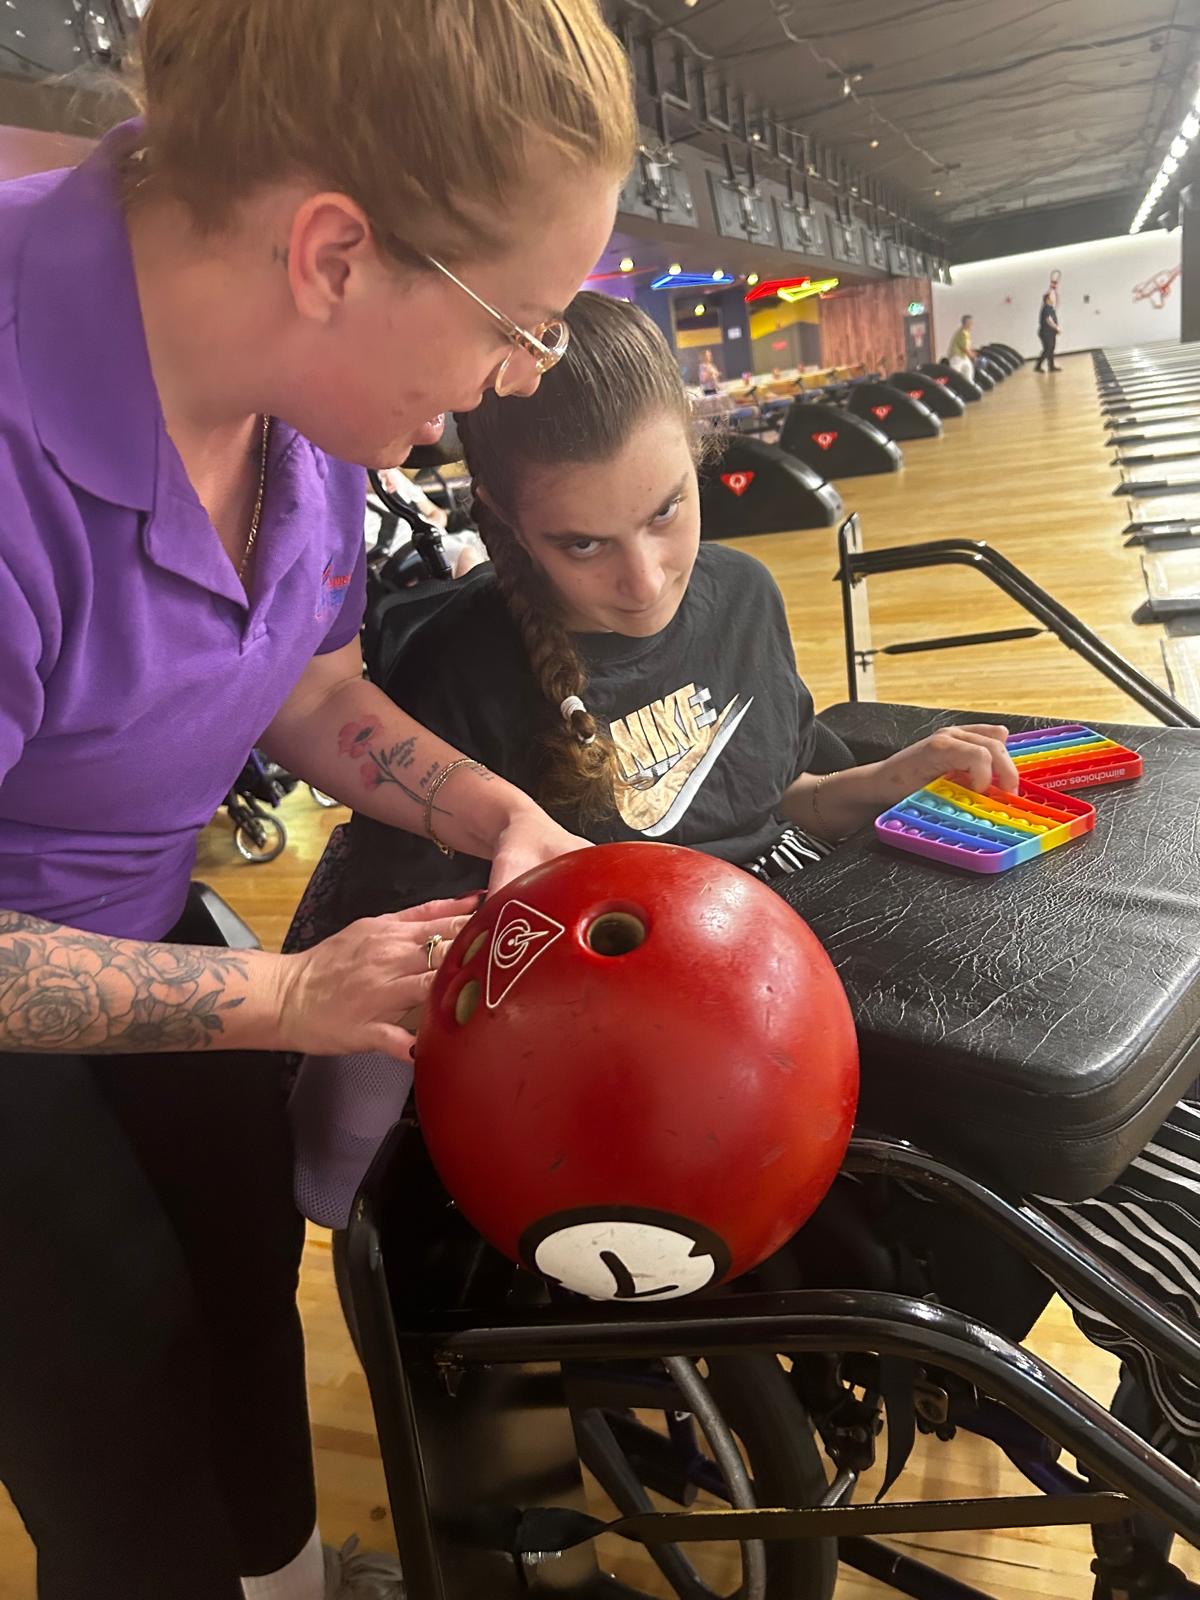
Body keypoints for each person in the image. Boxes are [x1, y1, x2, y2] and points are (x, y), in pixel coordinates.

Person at [303, 289, 1200, 1490]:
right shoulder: (457, 675)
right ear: (505, 524)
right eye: (583, 544)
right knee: (1072, 1154)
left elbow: (776, 802)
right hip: (650, 1043)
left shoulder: (742, 594)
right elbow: (432, 966)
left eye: (667, 511)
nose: (644, 577)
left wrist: (890, 777)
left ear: (701, 457)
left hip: (790, 932)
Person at [0, 2, 635, 1597]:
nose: (519, 379)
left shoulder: (307, 398)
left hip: (140, 917)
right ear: (335, 254)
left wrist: (496, 816)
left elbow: (307, 684)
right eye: (522, 324)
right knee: (111, 1401)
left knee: (240, 1284)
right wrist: (286, 991)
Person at [1034, 291, 1061, 371]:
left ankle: (1051, 366)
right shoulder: (1046, 308)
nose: (1054, 299)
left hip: (1050, 333)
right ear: (1047, 300)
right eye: (1052, 298)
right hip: (1046, 333)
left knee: (1051, 349)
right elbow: (1048, 320)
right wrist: (1056, 328)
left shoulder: (1050, 308)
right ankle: (1038, 366)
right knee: (1047, 349)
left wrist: (1055, 330)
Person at [947, 313, 976, 380]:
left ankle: (969, 384)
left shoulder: (966, 333)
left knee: (968, 369)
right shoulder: (962, 333)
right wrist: (973, 356)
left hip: (962, 356)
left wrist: (972, 353)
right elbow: (965, 348)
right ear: (966, 323)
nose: (972, 325)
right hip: (957, 357)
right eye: (971, 323)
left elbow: (967, 347)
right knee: (956, 375)